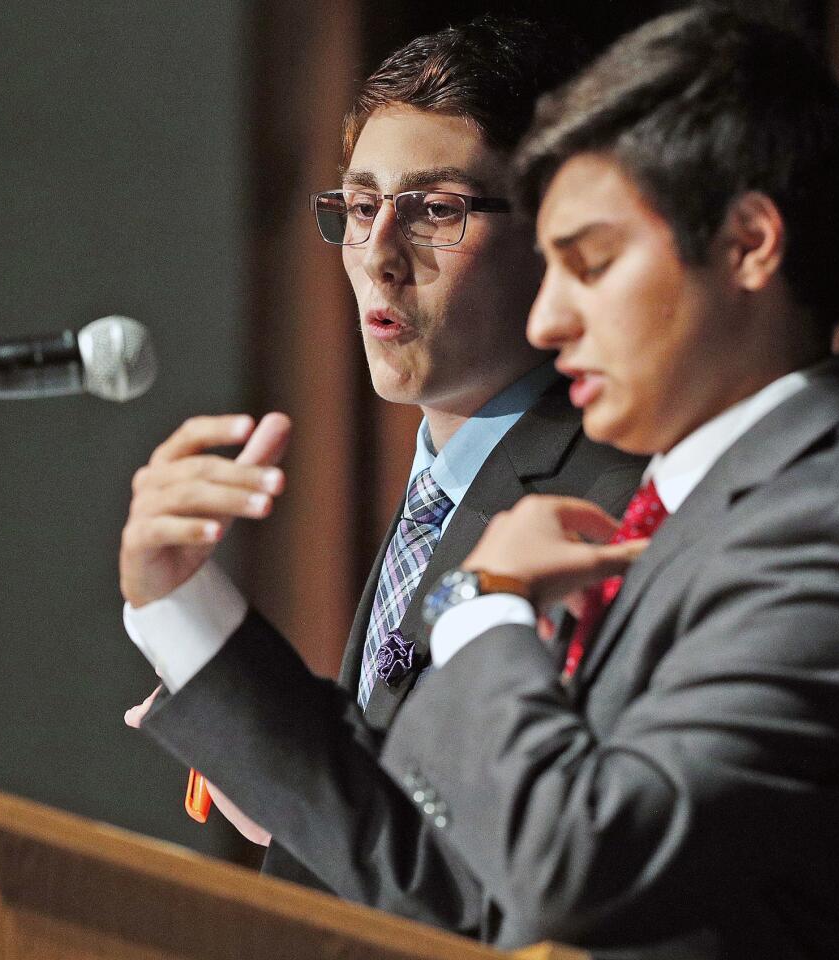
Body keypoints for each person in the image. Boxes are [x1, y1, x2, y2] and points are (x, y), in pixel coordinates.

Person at [136, 7, 839, 958]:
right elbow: (463, 876)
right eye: (356, 204)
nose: (549, 316)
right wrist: (204, 638)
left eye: (587, 262)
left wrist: (483, 603)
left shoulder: (834, 528)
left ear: (750, 244)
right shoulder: (729, 504)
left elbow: (571, 871)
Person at [120, 17, 644, 896]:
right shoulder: (443, 481)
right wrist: (280, 784)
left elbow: (483, 879)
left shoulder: (603, 501)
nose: (378, 255)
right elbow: (393, 830)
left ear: (553, 234)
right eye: (361, 207)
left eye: (436, 209)